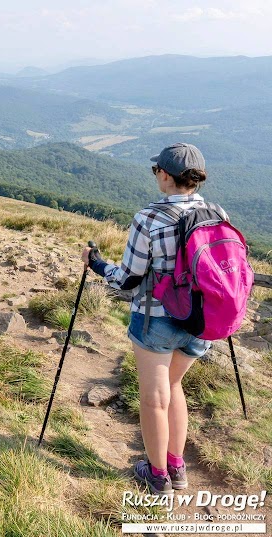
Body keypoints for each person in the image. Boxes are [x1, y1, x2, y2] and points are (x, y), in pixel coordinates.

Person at [81, 143, 228, 496]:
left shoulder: (149, 218)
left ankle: (157, 476)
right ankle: (177, 467)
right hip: (203, 321)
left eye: (156, 171)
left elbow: (129, 278)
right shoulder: (217, 212)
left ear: (165, 174)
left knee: (154, 399)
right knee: (173, 387)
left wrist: (97, 264)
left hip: (158, 319)